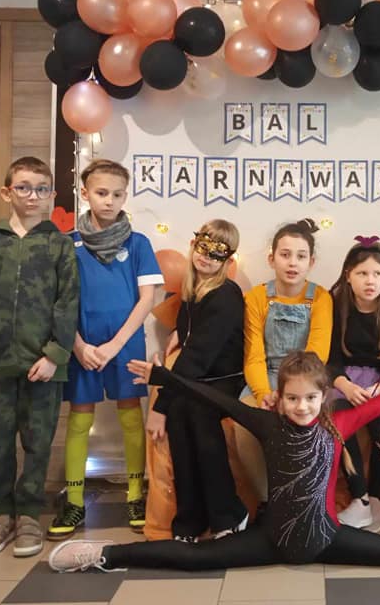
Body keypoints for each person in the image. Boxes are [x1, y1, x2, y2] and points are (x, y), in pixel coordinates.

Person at [48, 351, 380, 573]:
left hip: (327, 538)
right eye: (292, 398)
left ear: (323, 397)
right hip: (272, 540)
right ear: (280, 398)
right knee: (197, 559)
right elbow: (214, 398)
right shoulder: (268, 424)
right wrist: (164, 376)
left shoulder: (338, 424)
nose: (302, 407)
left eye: (310, 398)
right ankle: (105, 555)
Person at [0, 156, 79, 557]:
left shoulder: (59, 244)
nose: (32, 196)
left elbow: (67, 304)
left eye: (41, 189)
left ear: (52, 194)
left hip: (43, 365)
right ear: (7, 192)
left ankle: (28, 514)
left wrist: (55, 355)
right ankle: (2, 513)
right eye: (23, 187)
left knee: (38, 441)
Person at [48, 159, 163, 540]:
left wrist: (115, 346)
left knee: (131, 416)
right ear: (85, 194)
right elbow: (59, 302)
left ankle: (135, 495)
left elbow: (146, 299)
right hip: (82, 346)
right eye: (101, 193)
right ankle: (74, 501)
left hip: (125, 345)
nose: (109, 200)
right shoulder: (68, 244)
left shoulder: (138, 243)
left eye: (117, 194)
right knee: (80, 418)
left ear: (125, 196)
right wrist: (79, 345)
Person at [145, 220, 250, 542]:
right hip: (200, 378)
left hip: (224, 379)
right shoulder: (192, 291)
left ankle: (228, 513)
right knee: (181, 412)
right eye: (204, 247)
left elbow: (199, 355)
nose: (207, 257)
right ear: (194, 245)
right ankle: (190, 518)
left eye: (217, 253)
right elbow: (190, 341)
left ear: (227, 259)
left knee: (198, 413)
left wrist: (160, 406)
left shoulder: (226, 295)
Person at [328, 236, 380, 532]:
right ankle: (359, 497)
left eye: (377, 274)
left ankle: (376, 498)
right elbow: (330, 357)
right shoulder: (336, 306)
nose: (370, 281)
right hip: (343, 382)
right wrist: (345, 386)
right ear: (348, 275)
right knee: (341, 424)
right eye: (362, 273)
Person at [243, 218, 332, 408]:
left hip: (306, 380)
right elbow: (253, 356)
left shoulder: (321, 297)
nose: (292, 263)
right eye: (285, 255)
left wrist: (292, 394)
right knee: (243, 420)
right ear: (272, 259)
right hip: (265, 378)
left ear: (311, 262)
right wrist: (263, 394)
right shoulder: (256, 297)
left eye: (301, 256)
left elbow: (317, 355)